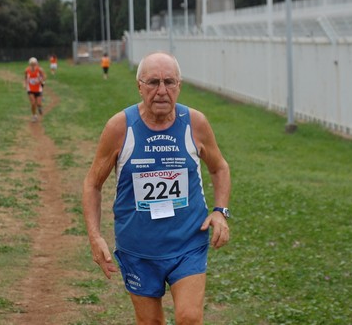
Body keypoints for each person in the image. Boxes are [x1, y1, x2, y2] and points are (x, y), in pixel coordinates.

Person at [82, 52, 231, 325]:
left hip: (188, 242)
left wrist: (220, 211)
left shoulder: (195, 123)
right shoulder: (119, 127)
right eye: (153, 82)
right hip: (138, 247)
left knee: (189, 318)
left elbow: (219, 167)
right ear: (139, 86)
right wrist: (94, 236)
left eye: (169, 82)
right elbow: (93, 184)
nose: (161, 91)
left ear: (179, 85)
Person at [24, 57, 46, 122]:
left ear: (36, 64)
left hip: (38, 89)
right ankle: (34, 116)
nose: (33, 66)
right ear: (29, 64)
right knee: (33, 103)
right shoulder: (27, 70)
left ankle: (39, 107)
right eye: (31, 64)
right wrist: (25, 84)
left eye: (34, 64)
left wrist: (40, 80)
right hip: (30, 89)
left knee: (39, 103)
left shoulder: (39, 70)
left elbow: (44, 76)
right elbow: (25, 78)